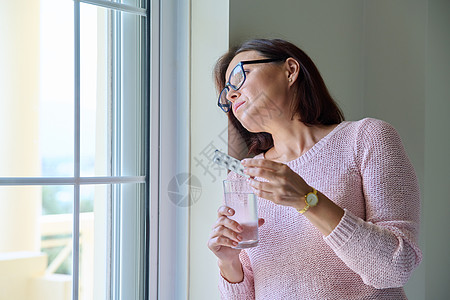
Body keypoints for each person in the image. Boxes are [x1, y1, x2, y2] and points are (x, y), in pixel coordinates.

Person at [207, 38, 422, 300]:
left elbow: (395, 269)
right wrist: (228, 263)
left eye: (242, 75)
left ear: (290, 70)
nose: (231, 94)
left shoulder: (367, 139)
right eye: (226, 91)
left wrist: (307, 199)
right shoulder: (241, 178)